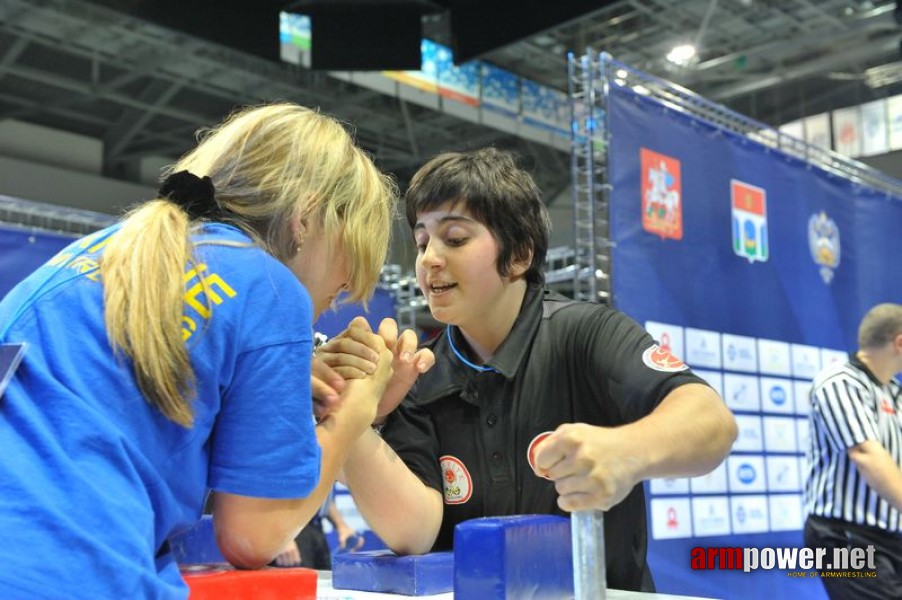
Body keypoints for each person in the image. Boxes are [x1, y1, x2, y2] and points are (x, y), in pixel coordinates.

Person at [0, 103, 398, 598]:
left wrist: (268, 381)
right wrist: (356, 409)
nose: (327, 307)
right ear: (305, 220)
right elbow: (252, 537)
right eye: (338, 287)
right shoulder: (269, 286)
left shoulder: (96, 256)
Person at [320, 147, 738, 592]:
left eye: (455, 238)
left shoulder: (586, 333)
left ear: (518, 256)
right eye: (422, 242)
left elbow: (713, 424)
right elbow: (415, 533)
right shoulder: (419, 372)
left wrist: (625, 450)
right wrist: (357, 415)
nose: (428, 260)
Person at [804, 303, 902, 600]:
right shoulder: (840, 381)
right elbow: (865, 454)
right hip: (844, 538)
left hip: (891, 537)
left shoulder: (894, 392)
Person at [272, 488, 365, 569]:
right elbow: (265, 486)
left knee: (323, 583)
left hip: (316, 527)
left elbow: (322, 495)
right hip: (292, 529)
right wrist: (281, 533)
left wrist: (341, 525)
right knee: (298, 586)